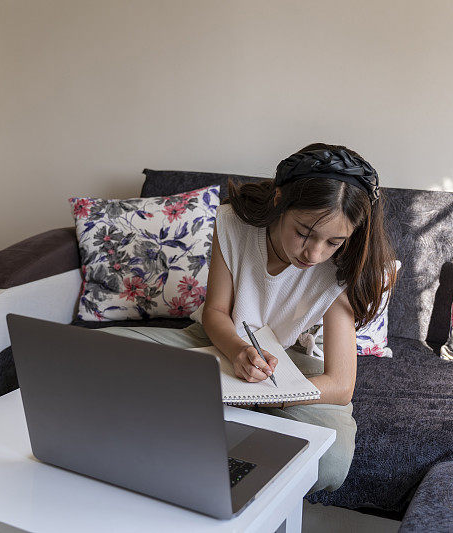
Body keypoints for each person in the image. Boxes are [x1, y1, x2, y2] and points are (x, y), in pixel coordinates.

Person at [102, 143, 397, 492]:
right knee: (103, 353)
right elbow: (214, 313)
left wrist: (269, 396)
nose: (315, 253)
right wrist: (238, 352)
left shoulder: (347, 264)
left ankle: (203, 433)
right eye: (303, 232)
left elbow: (340, 385)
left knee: (329, 465)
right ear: (278, 201)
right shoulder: (232, 222)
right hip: (218, 341)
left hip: (291, 366)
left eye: (333, 241)